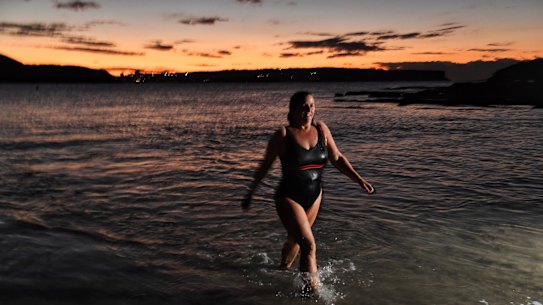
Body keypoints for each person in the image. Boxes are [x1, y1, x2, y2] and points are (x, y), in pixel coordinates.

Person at [242, 91, 374, 294]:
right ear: (293, 110)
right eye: (304, 106)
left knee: (296, 239)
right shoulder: (284, 135)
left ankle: (281, 270)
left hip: (314, 196)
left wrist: (360, 180)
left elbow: (337, 158)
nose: (309, 110)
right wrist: (251, 192)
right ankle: (311, 294)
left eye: (312, 105)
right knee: (309, 245)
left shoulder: (321, 130)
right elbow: (265, 165)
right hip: (289, 197)